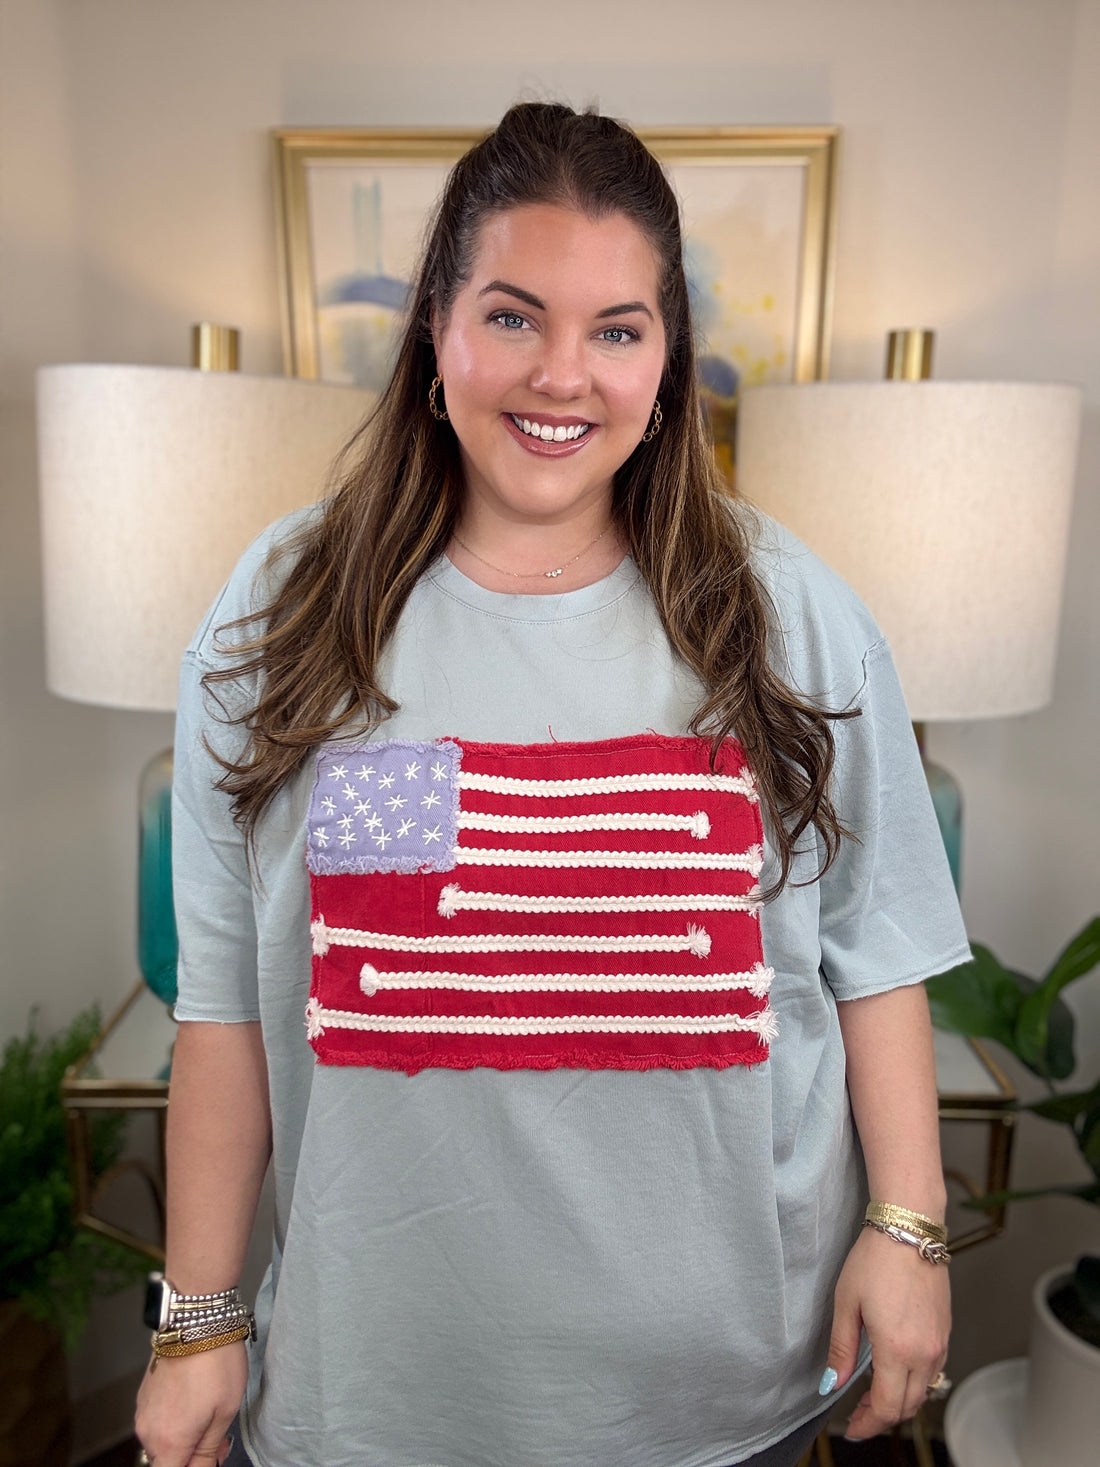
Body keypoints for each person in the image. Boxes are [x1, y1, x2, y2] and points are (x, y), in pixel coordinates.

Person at [135, 102, 968, 1467]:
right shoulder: (281, 614)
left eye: (618, 329)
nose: (563, 374)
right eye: (514, 317)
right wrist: (199, 1320)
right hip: (376, 1397)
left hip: (725, 1397)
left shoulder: (789, 613)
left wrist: (911, 1228)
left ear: (666, 357)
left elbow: (874, 958)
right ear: (435, 334)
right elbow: (225, 1007)